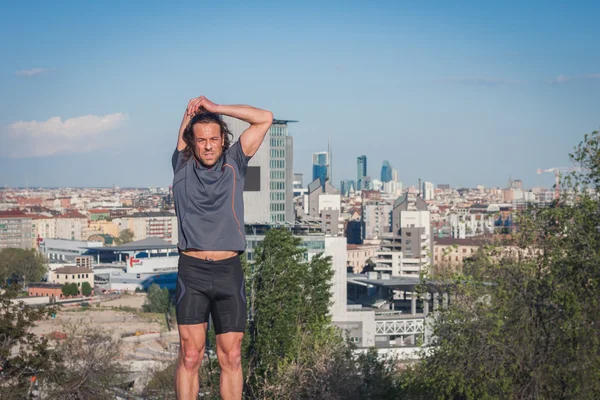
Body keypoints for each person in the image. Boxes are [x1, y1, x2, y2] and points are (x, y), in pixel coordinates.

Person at [171, 96, 272, 400]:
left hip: (229, 273)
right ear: (192, 143)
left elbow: (265, 117)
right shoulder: (182, 164)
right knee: (190, 356)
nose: (208, 145)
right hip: (193, 273)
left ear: (223, 139)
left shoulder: (235, 161)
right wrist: (192, 115)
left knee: (232, 357)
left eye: (214, 138)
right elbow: (186, 130)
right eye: (201, 140)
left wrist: (216, 109)